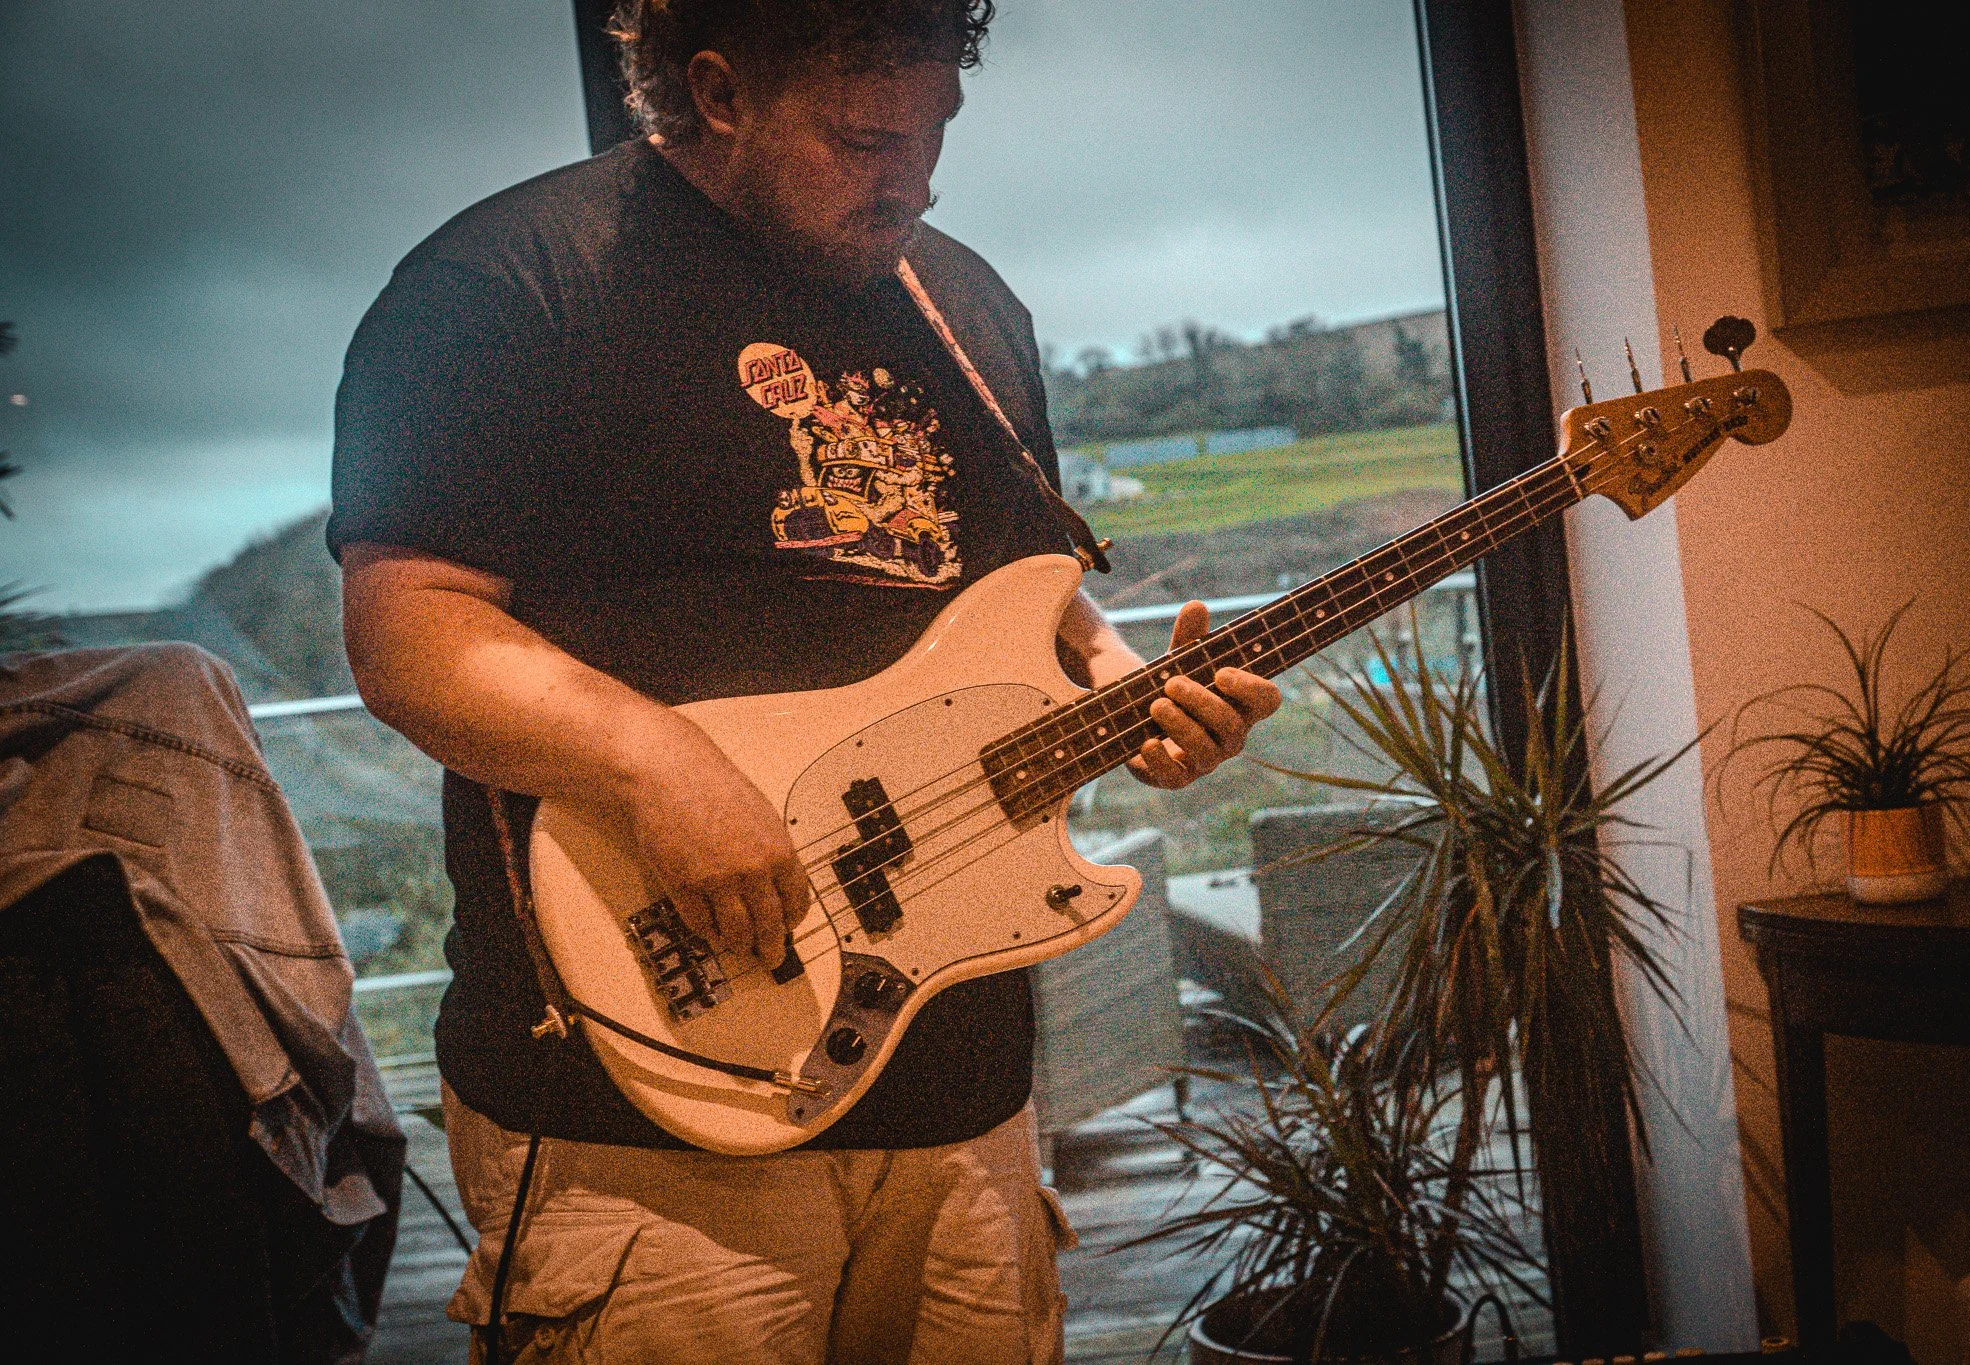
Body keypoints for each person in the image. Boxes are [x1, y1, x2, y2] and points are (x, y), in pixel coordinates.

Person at [329, 2, 1281, 1360]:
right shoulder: (507, 286)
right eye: (862, 139)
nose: (915, 176)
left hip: (958, 1085)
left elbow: (1027, 594)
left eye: (934, 130)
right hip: (641, 1109)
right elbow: (409, 633)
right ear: (716, 92)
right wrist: (656, 764)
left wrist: (1132, 693)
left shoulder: (962, 302)